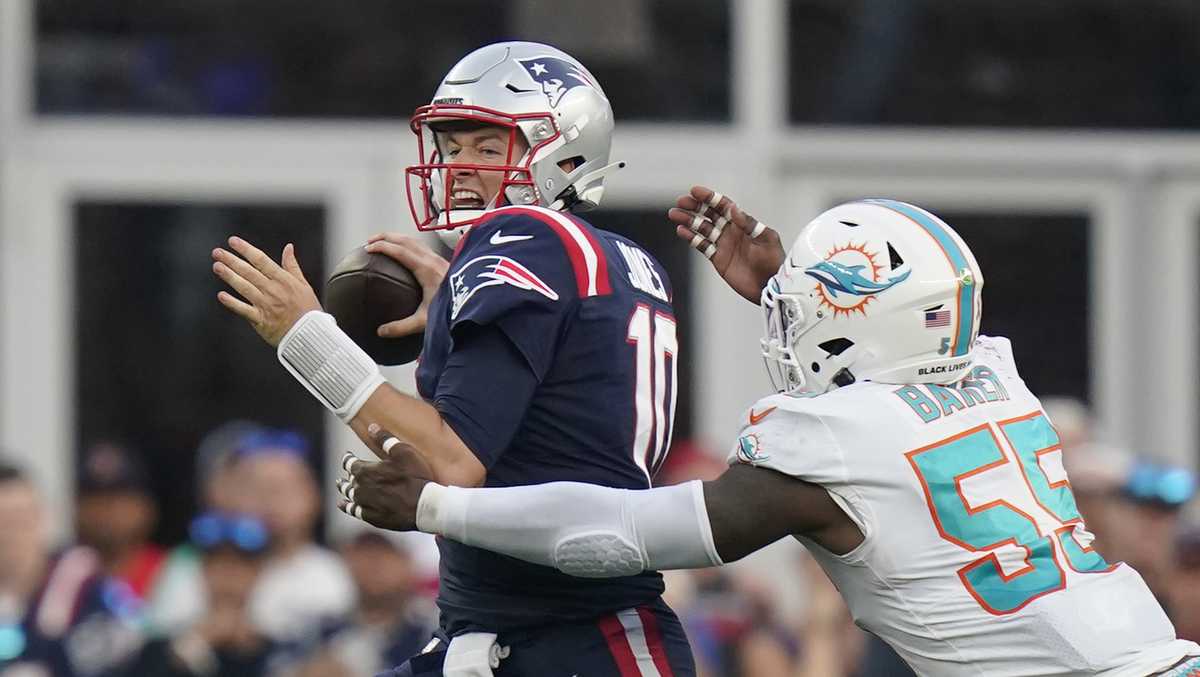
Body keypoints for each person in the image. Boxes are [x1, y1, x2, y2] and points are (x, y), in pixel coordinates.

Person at [344, 194, 1200, 676]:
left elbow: (621, 533)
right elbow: (898, 356)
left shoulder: (829, 441)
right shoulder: (996, 376)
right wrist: (791, 287)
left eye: (795, 309)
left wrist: (438, 506)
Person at [212, 41, 696, 674]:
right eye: (450, 145)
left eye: (487, 147)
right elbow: (453, 455)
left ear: (563, 152)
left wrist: (307, 337)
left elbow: (450, 462)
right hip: (509, 633)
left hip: (575, 638)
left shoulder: (524, 239)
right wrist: (454, 319)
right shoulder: (622, 259)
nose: (459, 166)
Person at [0, 460, 142, 676]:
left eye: (21, 519)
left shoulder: (86, 585)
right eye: (4, 522)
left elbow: (133, 650)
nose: (13, 534)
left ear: (41, 516)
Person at [120, 512, 283, 677]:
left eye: (240, 567)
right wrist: (195, 643)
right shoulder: (161, 648)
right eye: (217, 566)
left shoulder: (278, 652)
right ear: (202, 572)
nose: (228, 577)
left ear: (258, 574)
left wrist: (249, 649)